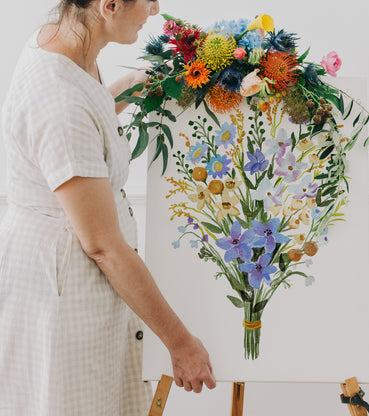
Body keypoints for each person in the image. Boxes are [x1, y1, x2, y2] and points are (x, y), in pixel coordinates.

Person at [0, 0, 216, 414]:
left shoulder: (64, 43)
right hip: (62, 287)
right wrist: (180, 342)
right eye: (149, 0)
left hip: (75, 274)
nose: (155, 9)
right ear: (110, 6)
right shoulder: (58, 102)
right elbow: (104, 247)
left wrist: (138, 84)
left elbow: (91, 112)